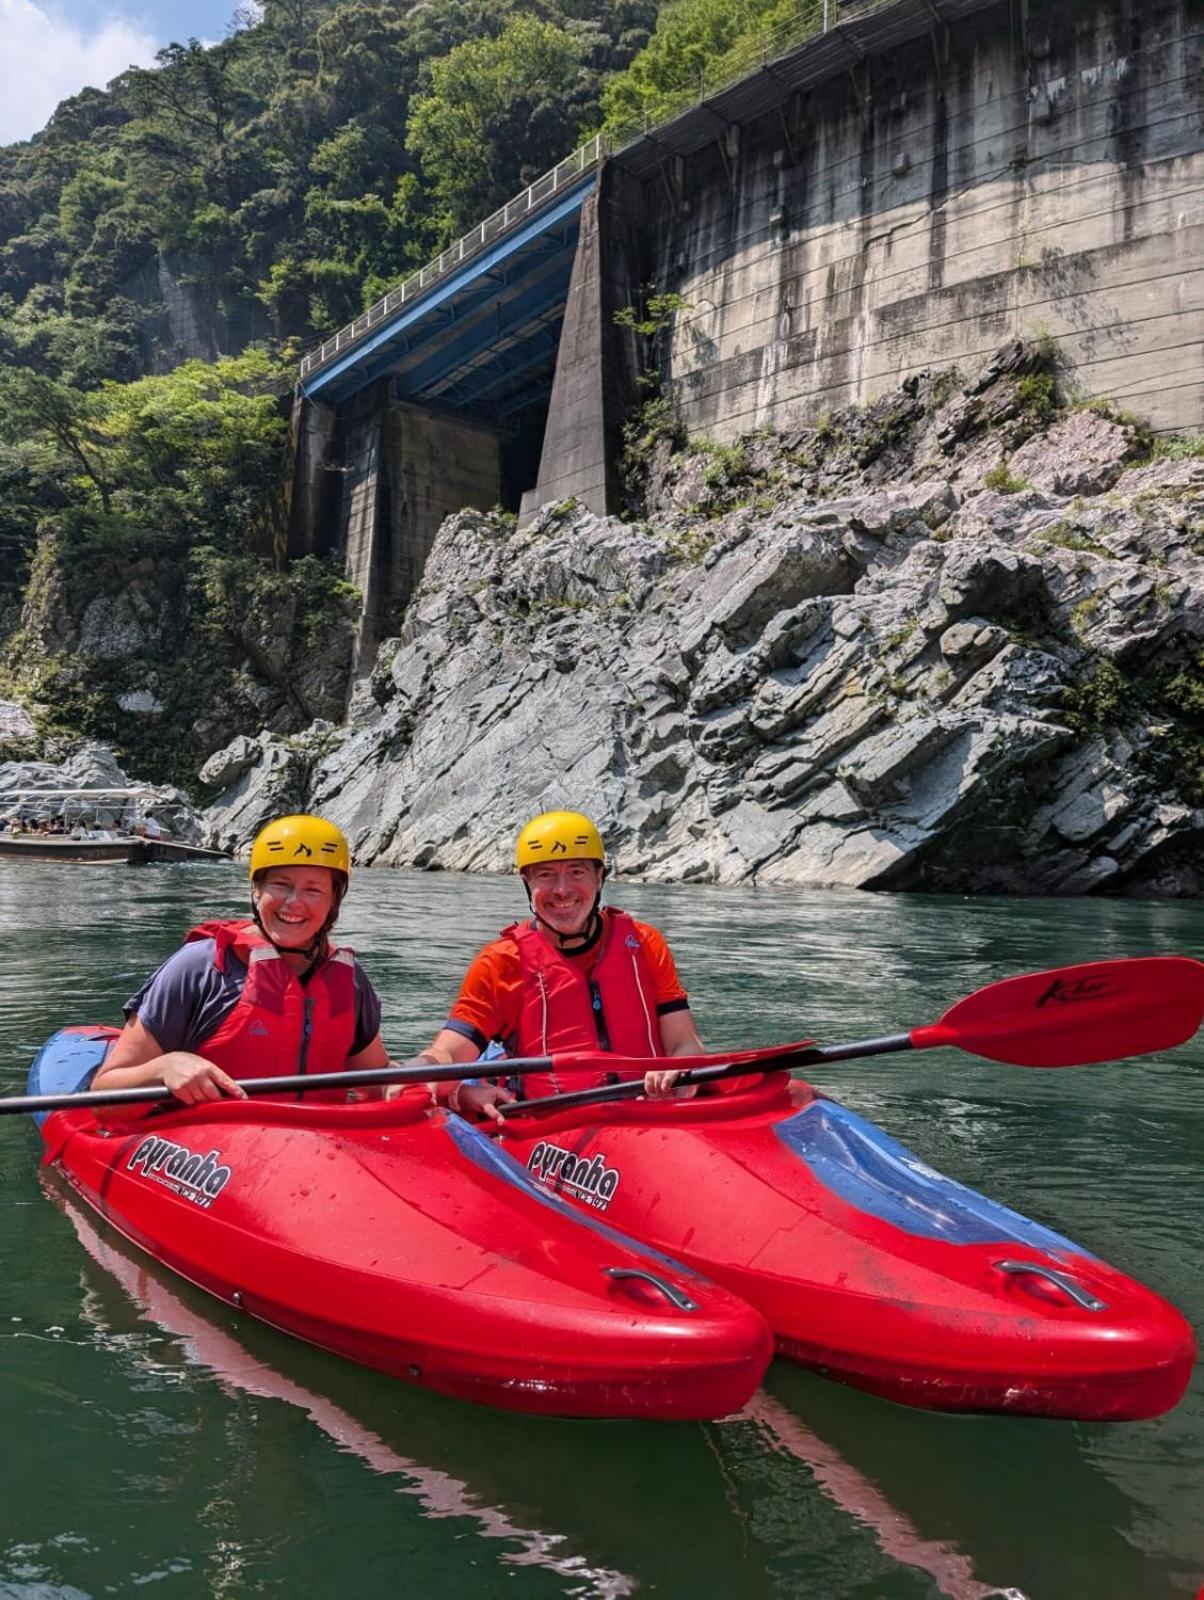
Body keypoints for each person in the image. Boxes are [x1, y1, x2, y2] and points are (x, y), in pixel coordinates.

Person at [408, 810, 706, 1123]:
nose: (562, 890)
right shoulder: (501, 963)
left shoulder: (644, 943)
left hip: (652, 1112)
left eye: (577, 872)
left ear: (599, 877)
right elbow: (450, 1055)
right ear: (528, 883)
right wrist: (421, 1069)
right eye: (546, 875)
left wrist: (683, 1065)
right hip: (553, 1129)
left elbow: (684, 1041)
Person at [91, 814, 390, 1106]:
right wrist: (163, 1068)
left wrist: (404, 1085)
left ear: (333, 900)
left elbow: (376, 1085)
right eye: (281, 884)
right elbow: (103, 1099)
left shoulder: (349, 981)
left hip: (319, 1145)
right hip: (212, 1147)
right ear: (256, 889)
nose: (293, 902)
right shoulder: (200, 968)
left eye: (313, 889)